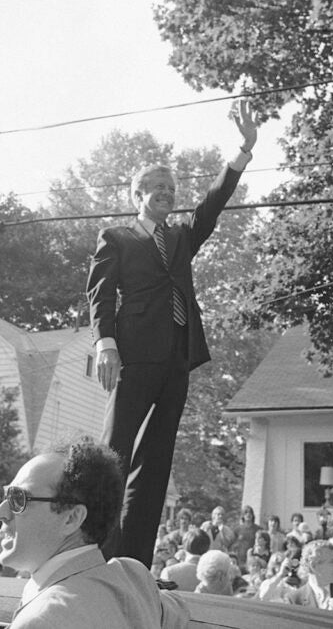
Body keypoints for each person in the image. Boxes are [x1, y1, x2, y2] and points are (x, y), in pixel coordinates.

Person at [87, 100, 259, 566]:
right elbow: (100, 295)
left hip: (177, 359)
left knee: (156, 460)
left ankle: (135, 563)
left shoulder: (183, 236)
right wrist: (107, 344)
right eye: (157, 187)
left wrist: (241, 153)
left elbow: (212, 206)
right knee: (114, 452)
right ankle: (94, 555)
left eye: (171, 187)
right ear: (137, 195)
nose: (166, 192)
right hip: (135, 357)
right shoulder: (117, 239)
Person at [0, 438, 187, 628]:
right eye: (7, 496)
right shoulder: (134, 578)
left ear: (71, 518)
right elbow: (178, 609)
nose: (0, 513)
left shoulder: (42, 620)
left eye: (19, 499)